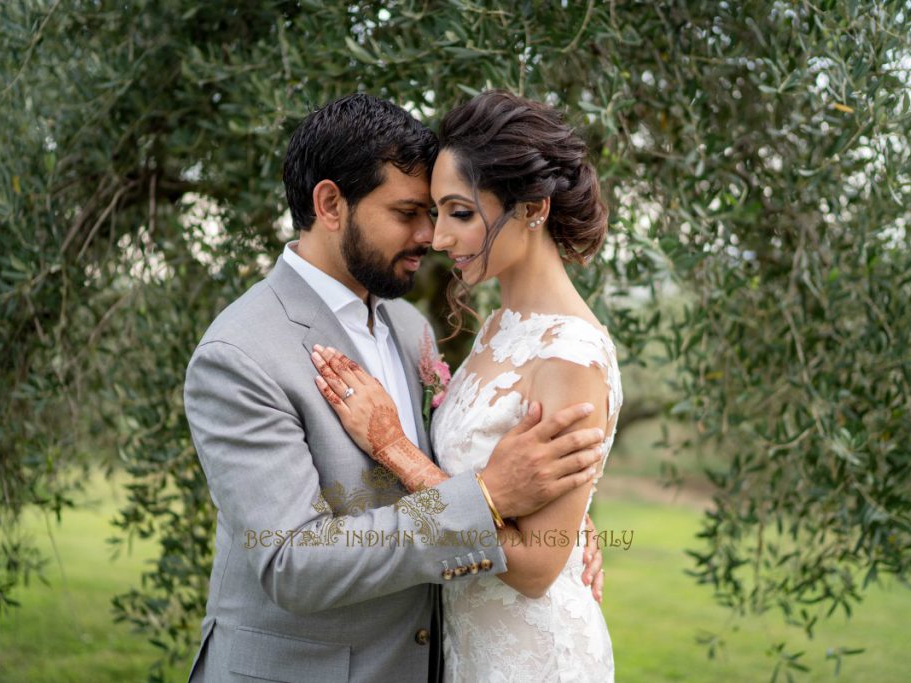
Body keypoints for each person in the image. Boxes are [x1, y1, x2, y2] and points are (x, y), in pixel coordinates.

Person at [183, 93, 608, 683]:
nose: (430, 235)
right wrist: (487, 499)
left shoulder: (409, 330)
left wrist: (560, 513)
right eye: (409, 212)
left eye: (438, 212)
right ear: (331, 204)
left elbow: (469, 462)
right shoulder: (241, 354)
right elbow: (292, 563)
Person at [310, 90, 621, 682]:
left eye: (459, 212)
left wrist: (397, 450)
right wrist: (570, 515)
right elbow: (506, 485)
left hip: (531, 656)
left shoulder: (572, 353)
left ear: (532, 207)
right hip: (466, 644)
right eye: (432, 213)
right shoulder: (500, 327)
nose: (439, 238)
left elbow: (534, 569)